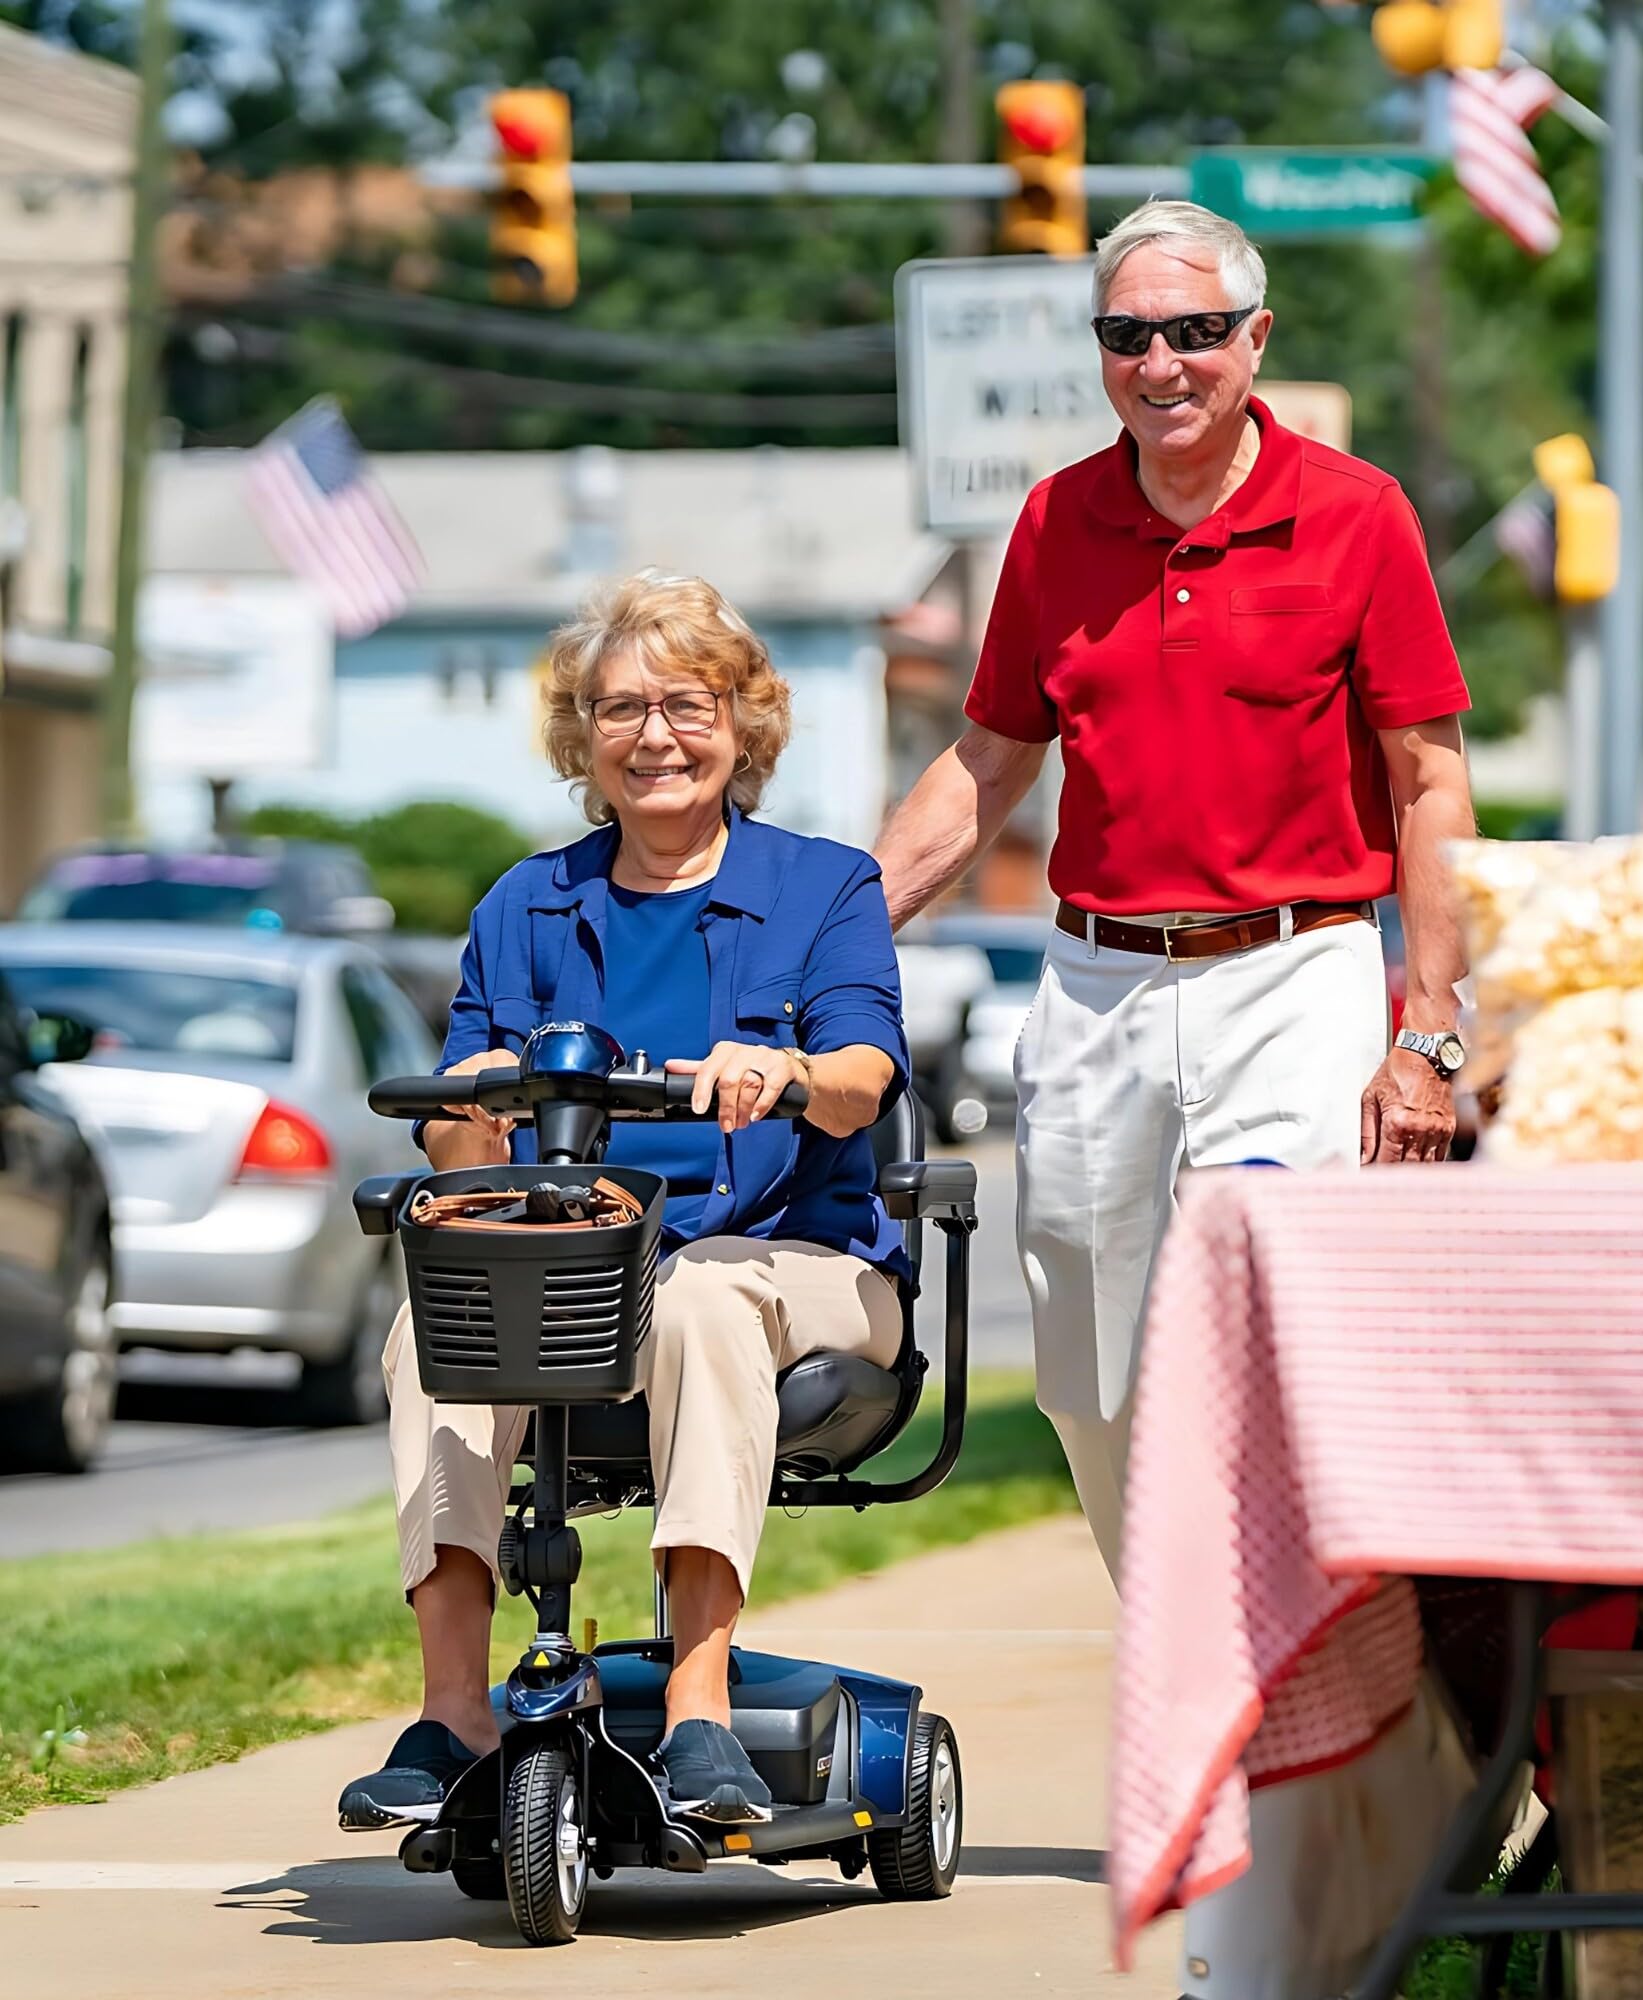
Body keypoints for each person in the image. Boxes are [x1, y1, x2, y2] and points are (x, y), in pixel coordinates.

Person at [875, 199, 1480, 1999]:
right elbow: (987, 761)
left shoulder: (1355, 515)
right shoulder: (1056, 523)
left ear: (1257, 339)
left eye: (1195, 331)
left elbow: (1429, 780)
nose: (1162, 364)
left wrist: (1428, 1031)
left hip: (1300, 975)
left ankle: (1279, 1787)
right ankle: (1255, 1690)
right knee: (1088, 1372)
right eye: (1129, 337)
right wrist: (817, 930)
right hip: (1095, 982)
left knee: (1265, 1361)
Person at [339, 571, 910, 1831]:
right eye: (620, 708)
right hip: (580, 1271)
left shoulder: (824, 887)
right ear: (582, 737)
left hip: (796, 1258)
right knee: (434, 1327)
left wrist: (789, 1069)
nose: (655, 735)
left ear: (743, 724)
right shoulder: (526, 902)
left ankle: (700, 1703)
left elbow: (862, 1079)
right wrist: (475, 1100)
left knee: (700, 1296)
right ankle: (453, 1709)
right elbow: (453, 1136)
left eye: (687, 703)